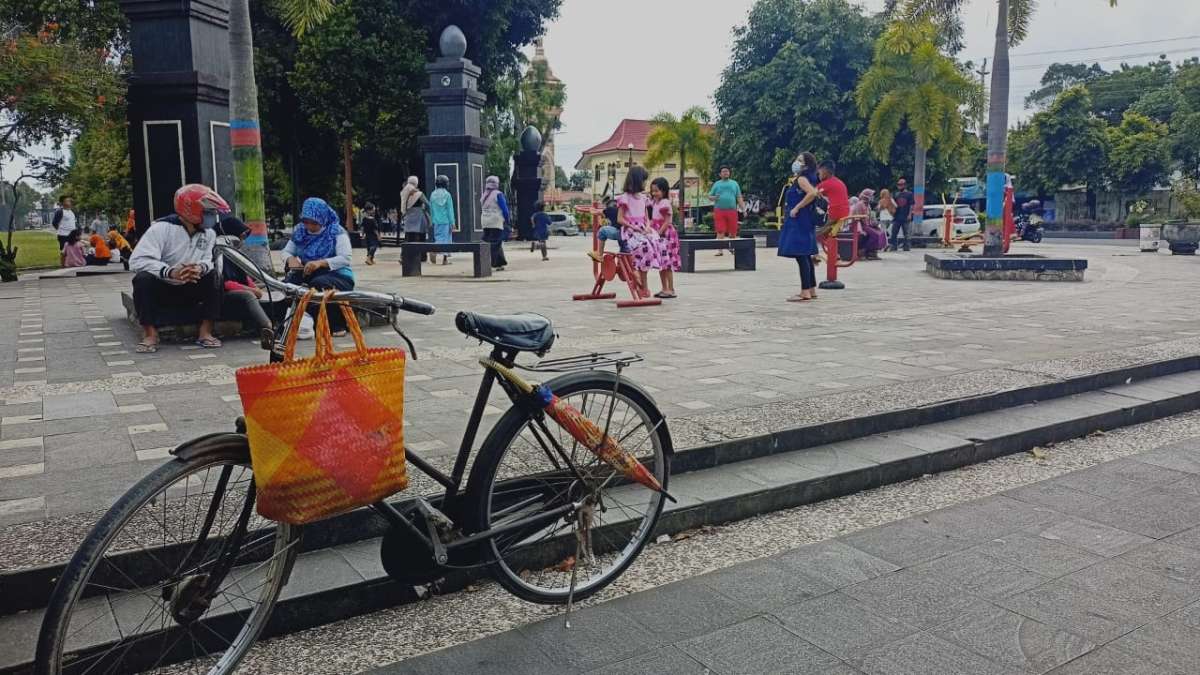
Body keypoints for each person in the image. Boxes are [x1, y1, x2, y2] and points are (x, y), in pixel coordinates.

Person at [129, 184, 227, 353]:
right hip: (164, 287)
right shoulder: (161, 229)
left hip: (191, 287)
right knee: (142, 280)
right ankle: (150, 335)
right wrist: (171, 272)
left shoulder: (209, 233)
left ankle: (205, 332)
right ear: (191, 210)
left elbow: (209, 260)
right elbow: (138, 260)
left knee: (215, 277)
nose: (212, 216)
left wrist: (199, 268)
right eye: (209, 212)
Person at [283, 197, 356, 336]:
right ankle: (287, 324)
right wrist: (290, 258)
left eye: (314, 223)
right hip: (308, 273)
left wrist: (320, 263)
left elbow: (345, 258)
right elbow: (286, 251)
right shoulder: (300, 231)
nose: (309, 226)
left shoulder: (336, 232)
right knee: (287, 286)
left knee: (318, 285)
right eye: (306, 222)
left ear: (322, 218)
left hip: (337, 275)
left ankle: (334, 325)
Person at [779, 153, 821, 302]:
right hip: (806, 219)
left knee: (801, 255)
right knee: (806, 254)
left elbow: (812, 193)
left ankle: (805, 292)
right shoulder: (813, 177)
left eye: (800, 160)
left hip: (799, 219)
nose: (796, 162)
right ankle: (811, 289)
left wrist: (797, 207)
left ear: (807, 165)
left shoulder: (802, 179)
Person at [617, 166, 660, 290]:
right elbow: (620, 219)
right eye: (643, 180)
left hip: (642, 229)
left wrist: (647, 227)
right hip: (630, 230)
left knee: (656, 243)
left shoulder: (643, 198)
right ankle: (636, 274)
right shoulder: (625, 198)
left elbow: (646, 217)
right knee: (643, 247)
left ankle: (642, 281)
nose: (645, 183)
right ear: (636, 180)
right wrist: (633, 227)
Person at [650, 177, 678, 298]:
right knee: (662, 263)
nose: (654, 193)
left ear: (664, 190)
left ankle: (671, 289)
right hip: (658, 234)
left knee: (668, 264)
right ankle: (664, 288)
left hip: (666, 235)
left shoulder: (665, 203)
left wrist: (658, 233)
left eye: (657, 191)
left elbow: (666, 222)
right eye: (653, 191)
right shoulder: (655, 203)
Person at [708, 166, 744, 255]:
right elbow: (709, 196)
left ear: (729, 173)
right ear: (720, 174)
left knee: (733, 231)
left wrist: (743, 208)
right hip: (719, 210)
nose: (726, 173)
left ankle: (732, 247)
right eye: (723, 171)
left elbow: (739, 197)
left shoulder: (734, 184)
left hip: (732, 210)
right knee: (720, 230)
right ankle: (720, 250)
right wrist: (714, 197)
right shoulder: (717, 184)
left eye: (727, 171)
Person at [480, 175, 510, 270]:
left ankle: (500, 263)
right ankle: (492, 263)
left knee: (490, 241)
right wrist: (507, 220)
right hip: (495, 221)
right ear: (496, 184)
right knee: (496, 243)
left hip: (485, 221)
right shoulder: (498, 194)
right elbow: (504, 209)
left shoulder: (484, 194)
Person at [588, 197, 629, 262]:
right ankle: (623, 264)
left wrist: (591, 209)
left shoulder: (609, 209)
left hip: (620, 233)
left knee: (602, 231)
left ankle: (599, 255)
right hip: (628, 234)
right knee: (624, 251)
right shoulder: (624, 210)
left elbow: (594, 212)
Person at [400, 176, 430, 260]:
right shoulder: (419, 193)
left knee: (408, 237)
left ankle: (405, 256)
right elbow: (427, 203)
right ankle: (422, 257)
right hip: (419, 217)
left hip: (409, 217)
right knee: (421, 237)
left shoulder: (404, 192)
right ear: (416, 182)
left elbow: (403, 207)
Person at [430, 176, 456, 265]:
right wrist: (452, 222)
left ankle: (443, 258)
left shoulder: (433, 194)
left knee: (438, 237)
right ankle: (436, 252)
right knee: (447, 240)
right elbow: (450, 210)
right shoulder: (447, 194)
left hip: (436, 221)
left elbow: (431, 209)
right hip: (446, 221)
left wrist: (432, 220)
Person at [890, 178, 914, 251]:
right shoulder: (896, 194)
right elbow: (893, 204)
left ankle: (906, 247)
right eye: (898, 184)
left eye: (901, 184)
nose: (899, 186)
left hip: (905, 216)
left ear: (904, 185)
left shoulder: (909, 194)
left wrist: (910, 214)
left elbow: (911, 205)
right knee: (894, 232)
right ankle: (893, 246)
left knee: (906, 233)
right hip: (897, 216)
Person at [53, 195, 78, 266]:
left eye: (69, 201)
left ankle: (71, 263)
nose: (69, 202)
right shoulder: (60, 211)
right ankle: (63, 265)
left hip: (72, 235)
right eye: (67, 201)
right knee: (64, 251)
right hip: (63, 235)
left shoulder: (71, 212)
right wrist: (60, 230)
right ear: (62, 203)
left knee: (72, 250)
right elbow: (54, 223)